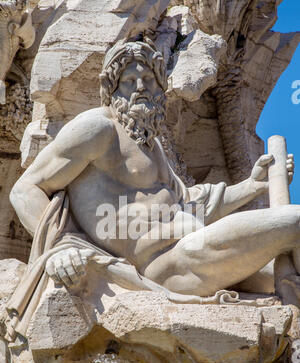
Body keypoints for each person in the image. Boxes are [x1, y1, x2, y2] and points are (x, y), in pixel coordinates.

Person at [10, 37, 297, 299]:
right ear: (111, 88)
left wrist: (252, 186)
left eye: (148, 79)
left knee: (292, 278)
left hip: (197, 252)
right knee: (295, 221)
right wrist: (62, 247)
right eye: (129, 80)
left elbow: (191, 205)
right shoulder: (98, 128)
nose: (140, 88)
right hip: (168, 262)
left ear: (161, 88)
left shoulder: (151, 144)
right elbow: (24, 190)